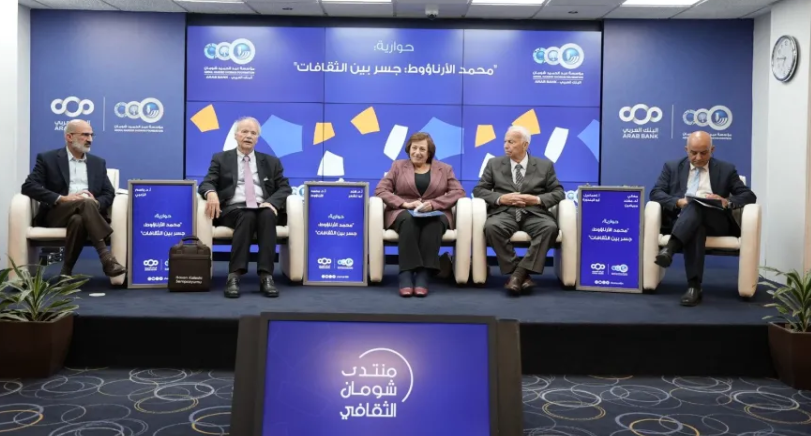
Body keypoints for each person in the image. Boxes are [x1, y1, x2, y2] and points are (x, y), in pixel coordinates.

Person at [650, 131, 757, 306]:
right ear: (686, 149)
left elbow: (748, 196)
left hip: (716, 221)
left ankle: (670, 248)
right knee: (696, 223)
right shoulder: (672, 167)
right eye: (693, 153)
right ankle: (694, 287)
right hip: (682, 220)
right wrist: (678, 202)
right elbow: (656, 192)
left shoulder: (726, 169)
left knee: (697, 204)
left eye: (704, 153)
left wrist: (726, 201)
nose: (698, 158)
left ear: (712, 150)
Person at [199, 116, 292, 299]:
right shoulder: (221, 159)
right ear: (236, 135)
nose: (248, 136)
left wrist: (272, 203)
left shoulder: (271, 162)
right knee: (247, 215)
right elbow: (207, 182)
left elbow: (284, 187)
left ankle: (266, 276)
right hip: (233, 209)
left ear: (257, 138)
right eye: (244, 132)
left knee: (267, 215)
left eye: (253, 133)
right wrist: (210, 193)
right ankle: (234, 276)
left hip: (262, 207)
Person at [21, 119, 126, 278]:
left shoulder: (97, 163)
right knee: (85, 203)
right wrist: (61, 198)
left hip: (88, 214)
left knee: (79, 219)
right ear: (69, 137)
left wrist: (97, 202)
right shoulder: (48, 159)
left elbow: (109, 193)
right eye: (85, 135)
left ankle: (66, 272)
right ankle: (106, 257)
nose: (90, 139)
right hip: (57, 213)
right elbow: (28, 186)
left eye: (91, 135)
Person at [473, 125, 564, 296]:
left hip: (534, 212)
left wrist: (536, 199)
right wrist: (501, 198)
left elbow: (558, 192)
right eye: (505, 142)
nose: (506, 146)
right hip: (504, 212)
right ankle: (522, 275)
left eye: (511, 142)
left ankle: (517, 275)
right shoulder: (494, 164)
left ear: (525, 144)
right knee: (492, 227)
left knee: (549, 228)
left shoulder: (545, 166)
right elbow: (479, 190)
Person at [375, 132, 465, 297]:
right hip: (403, 210)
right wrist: (404, 204)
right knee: (409, 220)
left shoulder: (445, 169)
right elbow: (381, 190)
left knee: (434, 223)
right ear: (409, 149)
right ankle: (406, 273)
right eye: (414, 148)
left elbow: (458, 192)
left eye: (422, 149)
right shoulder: (398, 166)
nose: (417, 152)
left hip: (435, 211)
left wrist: (434, 204)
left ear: (429, 152)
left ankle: (423, 275)